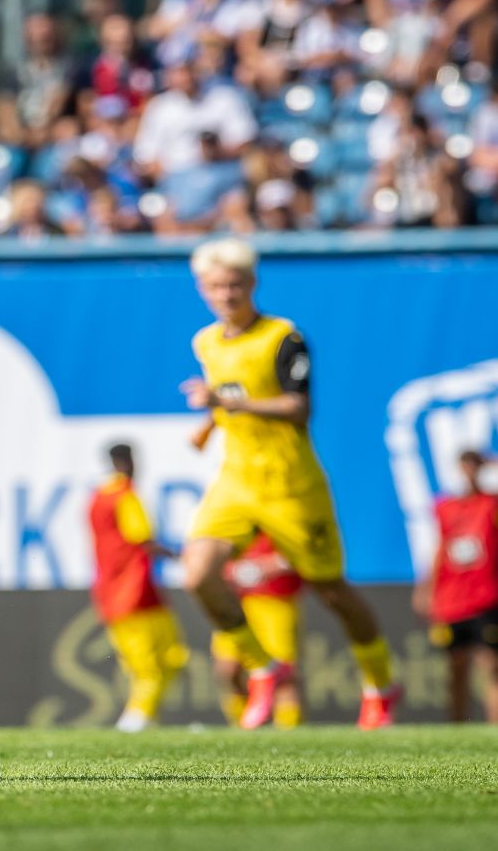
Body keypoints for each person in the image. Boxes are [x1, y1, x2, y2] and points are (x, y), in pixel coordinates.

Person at [180, 237, 400, 730]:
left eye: (235, 284)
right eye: (217, 286)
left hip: (291, 484)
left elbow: (297, 407)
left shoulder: (283, 337)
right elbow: (227, 397)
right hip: (237, 479)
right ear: (202, 289)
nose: (227, 294)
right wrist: (209, 422)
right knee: (196, 574)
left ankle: (381, 684)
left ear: (252, 284)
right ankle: (263, 666)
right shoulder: (205, 342)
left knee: (333, 593)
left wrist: (228, 404)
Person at [84, 443, 188, 732]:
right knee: (157, 664)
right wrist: (183, 556)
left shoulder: (96, 498)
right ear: (128, 462)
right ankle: (136, 719)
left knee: (161, 660)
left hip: (116, 593)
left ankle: (146, 717)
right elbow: (142, 539)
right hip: (133, 591)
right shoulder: (125, 495)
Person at [413, 450, 498, 723]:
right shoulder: (446, 507)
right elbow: (439, 549)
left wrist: (490, 464)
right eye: (465, 467)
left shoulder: (490, 504)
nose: (469, 472)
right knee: (456, 666)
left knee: (491, 665)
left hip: (485, 597)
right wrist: (426, 589)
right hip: (453, 600)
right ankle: (457, 725)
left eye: (475, 466)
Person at [211, 532, 304, 728]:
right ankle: (242, 728)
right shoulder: (231, 512)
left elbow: (303, 550)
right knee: (227, 669)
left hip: (275, 599)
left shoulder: (285, 510)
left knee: (282, 674)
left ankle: (289, 735)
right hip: (237, 601)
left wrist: (264, 567)